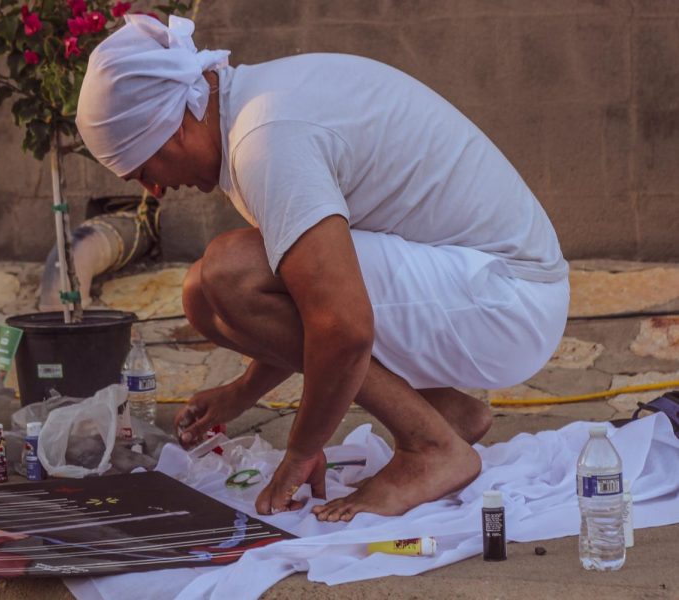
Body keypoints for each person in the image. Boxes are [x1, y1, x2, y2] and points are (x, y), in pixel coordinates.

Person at [76, 15, 570, 521]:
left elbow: (342, 324)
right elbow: (305, 291)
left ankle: (430, 448)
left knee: (228, 273)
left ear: (174, 126)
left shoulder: (264, 138)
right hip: (482, 289)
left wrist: (301, 451)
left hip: (509, 299)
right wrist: (242, 393)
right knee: (204, 294)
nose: (153, 190)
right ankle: (443, 416)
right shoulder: (255, 109)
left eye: (144, 169)